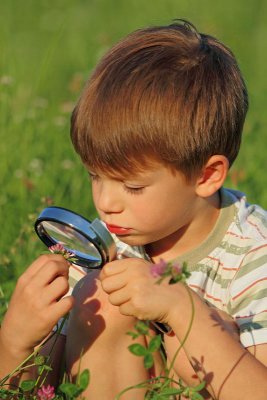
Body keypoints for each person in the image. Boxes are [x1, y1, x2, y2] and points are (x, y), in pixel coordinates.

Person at [1, 19, 267, 400]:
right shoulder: (102, 244)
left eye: (133, 186)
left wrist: (182, 309)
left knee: (207, 327)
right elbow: (31, 389)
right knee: (103, 299)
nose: (106, 203)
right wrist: (15, 341)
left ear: (206, 175)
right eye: (95, 176)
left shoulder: (254, 254)